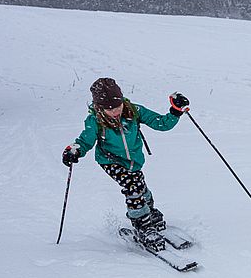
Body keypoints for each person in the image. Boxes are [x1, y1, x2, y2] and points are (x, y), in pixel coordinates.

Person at [61, 77, 190, 251]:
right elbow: (85, 141)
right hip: (110, 160)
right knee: (133, 187)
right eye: (109, 109)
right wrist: (75, 150)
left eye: (117, 106)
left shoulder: (134, 111)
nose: (115, 111)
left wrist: (175, 111)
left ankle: (148, 212)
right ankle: (143, 226)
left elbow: (161, 124)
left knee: (140, 186)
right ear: (99, 107)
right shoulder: (95, 120)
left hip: (133, 161)